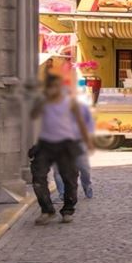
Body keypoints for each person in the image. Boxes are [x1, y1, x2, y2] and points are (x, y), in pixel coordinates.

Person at [30, 70, 93, 224]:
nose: (53, 90)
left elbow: (80, 122)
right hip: (46, 143)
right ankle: (47, 210)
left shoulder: (70, 103)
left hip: (66, 144)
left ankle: (68, 209)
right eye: (50, 87)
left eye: (56, 86)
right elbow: (33, 118)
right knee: (38, 177)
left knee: (70, 178)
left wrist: (87, 141)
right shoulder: (43, 102)